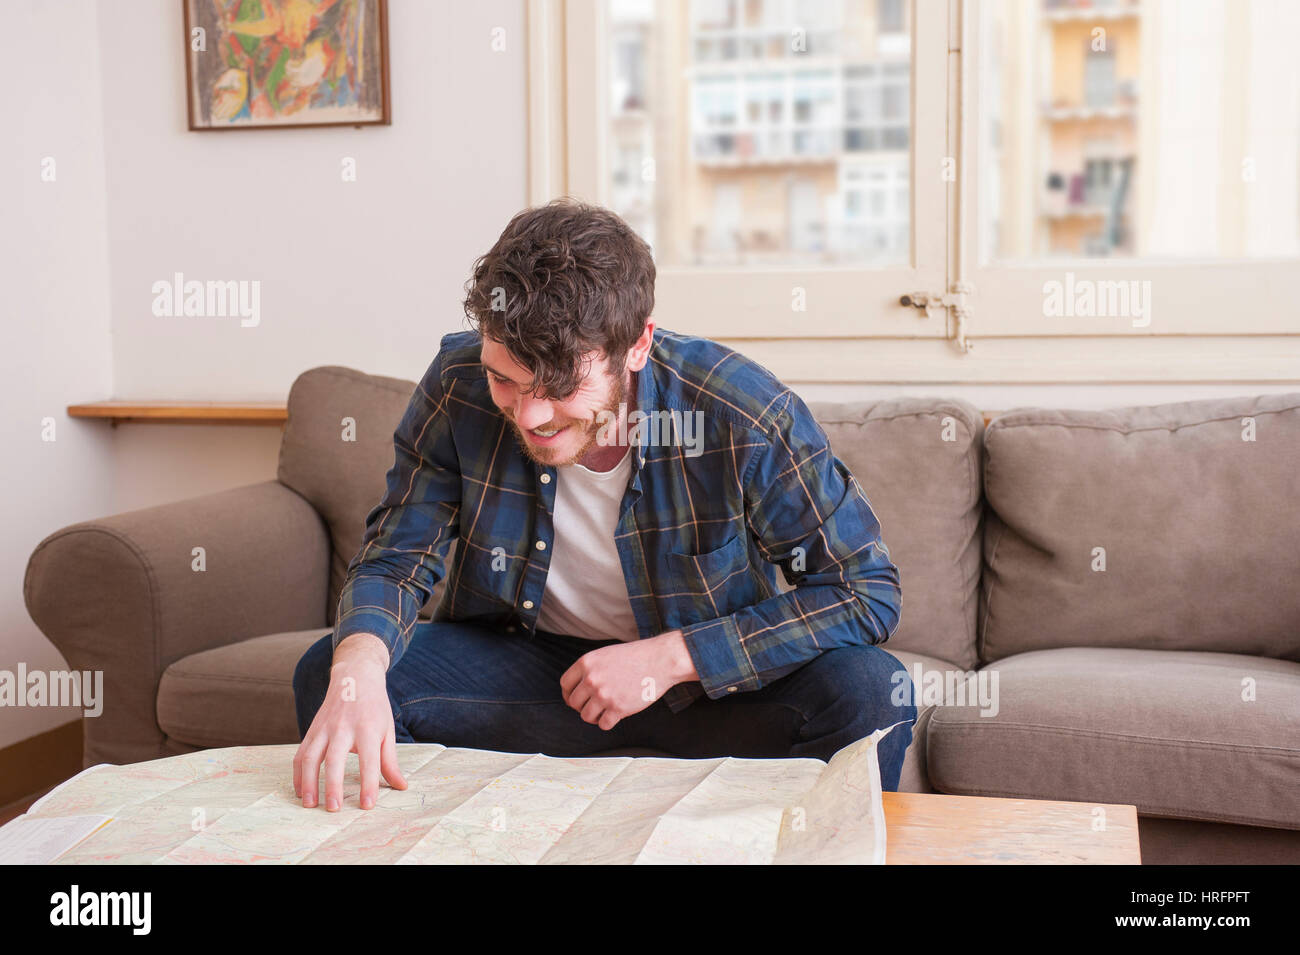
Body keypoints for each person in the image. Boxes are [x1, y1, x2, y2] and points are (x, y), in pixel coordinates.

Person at [292, 197, 915, 812]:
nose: (530, 416)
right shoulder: (456, 385)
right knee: (337, 672)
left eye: (560, 387)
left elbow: (865, 590)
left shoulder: (740, 412)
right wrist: (361, 666)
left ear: (637, 345)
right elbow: (396, 557)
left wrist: (674, 658)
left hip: (709, 695)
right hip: (534, 681)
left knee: (869, 692)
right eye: (504, 378)